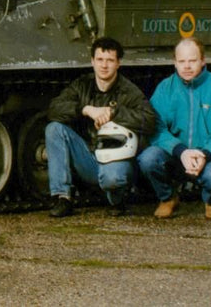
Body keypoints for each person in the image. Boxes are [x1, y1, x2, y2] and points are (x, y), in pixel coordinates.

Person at [45, 37, 156, 218]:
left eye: (110, 60)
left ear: (118, 63)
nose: (104, 65)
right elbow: (53, 109)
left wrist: (114, 113)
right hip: (88, 156)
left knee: (112, 178)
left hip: (116, 160)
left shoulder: (128, 91)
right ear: (92, 61)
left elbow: (149, 120)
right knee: (54, 129)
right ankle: (62, 197)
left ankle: (117, 198)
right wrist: (85, 109)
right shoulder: (82, 85)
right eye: (100, 60)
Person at [138, 37, 211, 220]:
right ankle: (168, 198)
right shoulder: (165, 89)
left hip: (209, 157)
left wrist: (206, 154)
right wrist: (181, 151)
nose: (187, 66)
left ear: (203, 60)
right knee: (148, 159)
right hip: (175, 156)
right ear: (175, 63)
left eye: (192, 60)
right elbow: (155, 127)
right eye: (181, 61)